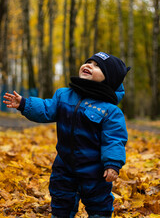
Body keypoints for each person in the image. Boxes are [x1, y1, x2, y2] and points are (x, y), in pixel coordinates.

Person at [3, 52, 130, 218]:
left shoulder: (110, 110)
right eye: (89, 62)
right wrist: (25, 104)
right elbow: (47, 109)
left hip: (94, 170)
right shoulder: (64, 95)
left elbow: (114, 139)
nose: (90, 65)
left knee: (99, 202)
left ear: (109, 78)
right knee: (61, 198)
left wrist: (113, 163)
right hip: (64, 165)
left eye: (98, 66)